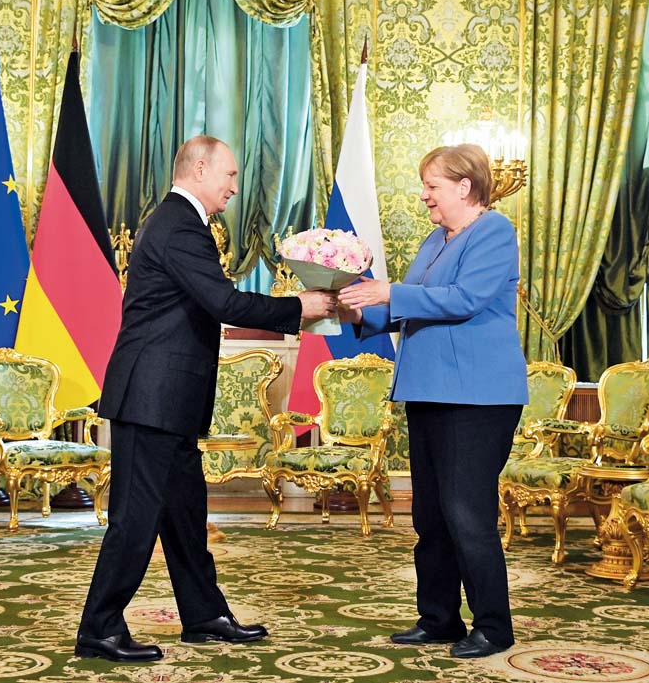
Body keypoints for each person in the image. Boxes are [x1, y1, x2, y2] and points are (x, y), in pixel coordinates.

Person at [76, 135, 337, 663]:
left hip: (166, 401)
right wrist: (298, 307)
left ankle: (203, 615)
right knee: (135, 519)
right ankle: (99, 629)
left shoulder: (181, 223)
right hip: (151, 399)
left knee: (185, 515)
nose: (234, 187)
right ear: (199, 169)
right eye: (230, 175)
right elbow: (223, 302)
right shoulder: (179, 225)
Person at [338, 143, 527, 658]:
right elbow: (410, 308)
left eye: (432, 186)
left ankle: (493, 626)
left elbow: (464, 299)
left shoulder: (494, 230)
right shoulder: (434, 240)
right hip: (428, 391)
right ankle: (439, 619)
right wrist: (356, 310)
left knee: (467, 514)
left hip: (477, 398)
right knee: (431, 517)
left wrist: (388, 293)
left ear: (465, 187)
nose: (424, 195)